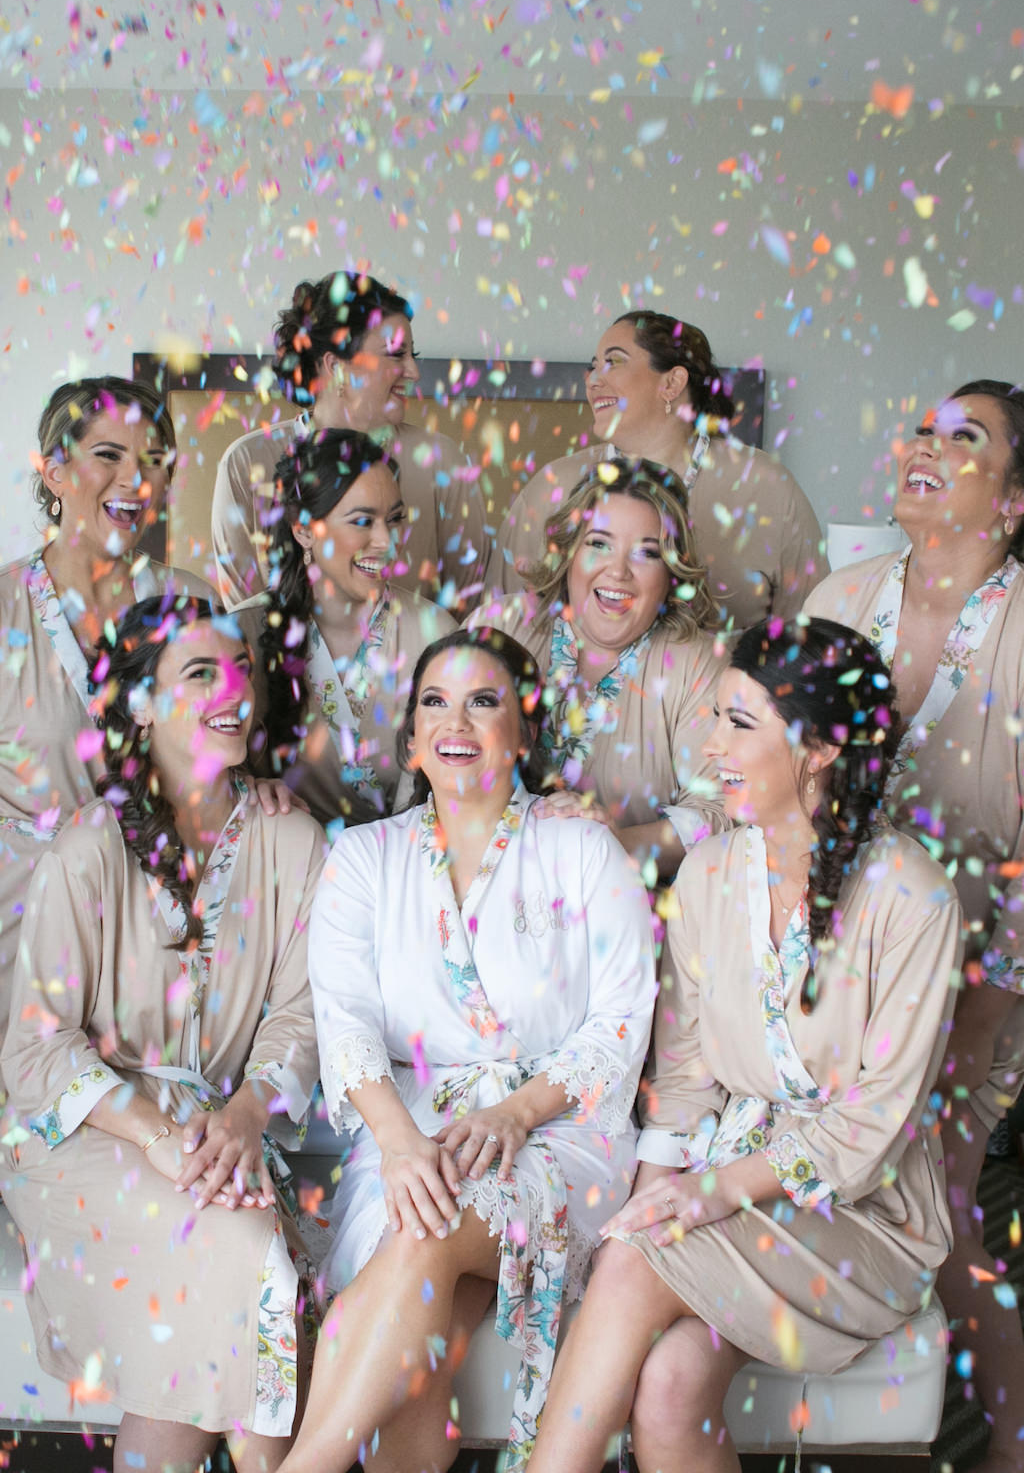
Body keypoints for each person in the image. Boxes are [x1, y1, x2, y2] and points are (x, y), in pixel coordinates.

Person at [526, 617, 962, 1473]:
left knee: (628, 1262)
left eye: (739, 723)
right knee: (672, 1384)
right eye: (714, 718)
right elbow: (684, 1077)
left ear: (820, 750)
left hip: (862, 1215)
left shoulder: (915, 899)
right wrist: (654, 1199)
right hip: (725, 1182)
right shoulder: (708, 873)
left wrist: (701, 1199)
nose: (712, 746)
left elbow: (868, 1129)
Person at [278, 628, 656, 1473]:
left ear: (522, 731)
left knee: (422, 1237)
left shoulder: (582, 850)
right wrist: (403, 1146)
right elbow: (343, 1019)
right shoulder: (362, 860)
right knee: (427, 1333)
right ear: (410, 739)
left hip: (560, 1128)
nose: (458, 721)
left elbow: (621, 1019)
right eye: (435, 703)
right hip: (406, 1132)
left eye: (484, 701)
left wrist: (517, 1113)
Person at [1, 595, 324, 1473]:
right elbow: (34, 1045)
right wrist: (157, 1136)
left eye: (241, 669)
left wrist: (250, 1111)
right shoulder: (88, 845)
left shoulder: (290, 839)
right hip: (86, 1140)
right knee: (248, 1249)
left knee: (230, 1271)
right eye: (199, 673)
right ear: (141, 705)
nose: (233, 692)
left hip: (217, 1133)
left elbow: (299, 1014)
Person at [806, 379, 1024, 1473]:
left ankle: (1004, 1446)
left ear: (1015, 498)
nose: (926, 447)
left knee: (941, 1210)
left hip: (980, 974)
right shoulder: (839, 599)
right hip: (824, 971)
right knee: (825, 1190)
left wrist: (992, 1005)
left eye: (965, 437)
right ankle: (831, 1430)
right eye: (923, 429)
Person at [0, 377, 215, 1039]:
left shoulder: (190, 603)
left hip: (152, 921)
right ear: (56, 471)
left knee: (149, 1125)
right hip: (21, 923)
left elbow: (221, 746)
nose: (135, 478)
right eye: (110, 455)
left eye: (152, 459)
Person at [471, 456, 727, 884]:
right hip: (487, 887)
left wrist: (611, 843)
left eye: (646, 552)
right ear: (569, 550)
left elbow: (718, 815)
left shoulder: (695, 662)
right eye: (599, 543)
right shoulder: (503, 627)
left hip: (625, 904)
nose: (618, 571)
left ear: (671, 571)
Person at [488, 310, 828, 631]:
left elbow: (813, 632)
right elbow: (498, 627)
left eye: (614, 362)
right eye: (593, 367)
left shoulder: (764, 487)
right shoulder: (556, 487)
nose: (592, 381)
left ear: (672, 383)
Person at [212, 270, 490, 612]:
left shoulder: (441, 462)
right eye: (395, 355)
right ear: (336, 367)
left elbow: (470, 607)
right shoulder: (247, 464)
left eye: (411, 356)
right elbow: (249, 620)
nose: (414, 373)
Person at [235, 426, 454, 833]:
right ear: (303, 530)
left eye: (394, 520)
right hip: (289, 870)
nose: (387, 542)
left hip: (408, 870)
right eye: (362, 521)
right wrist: (247, 786)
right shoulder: (241, 634)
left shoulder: (433, 632)